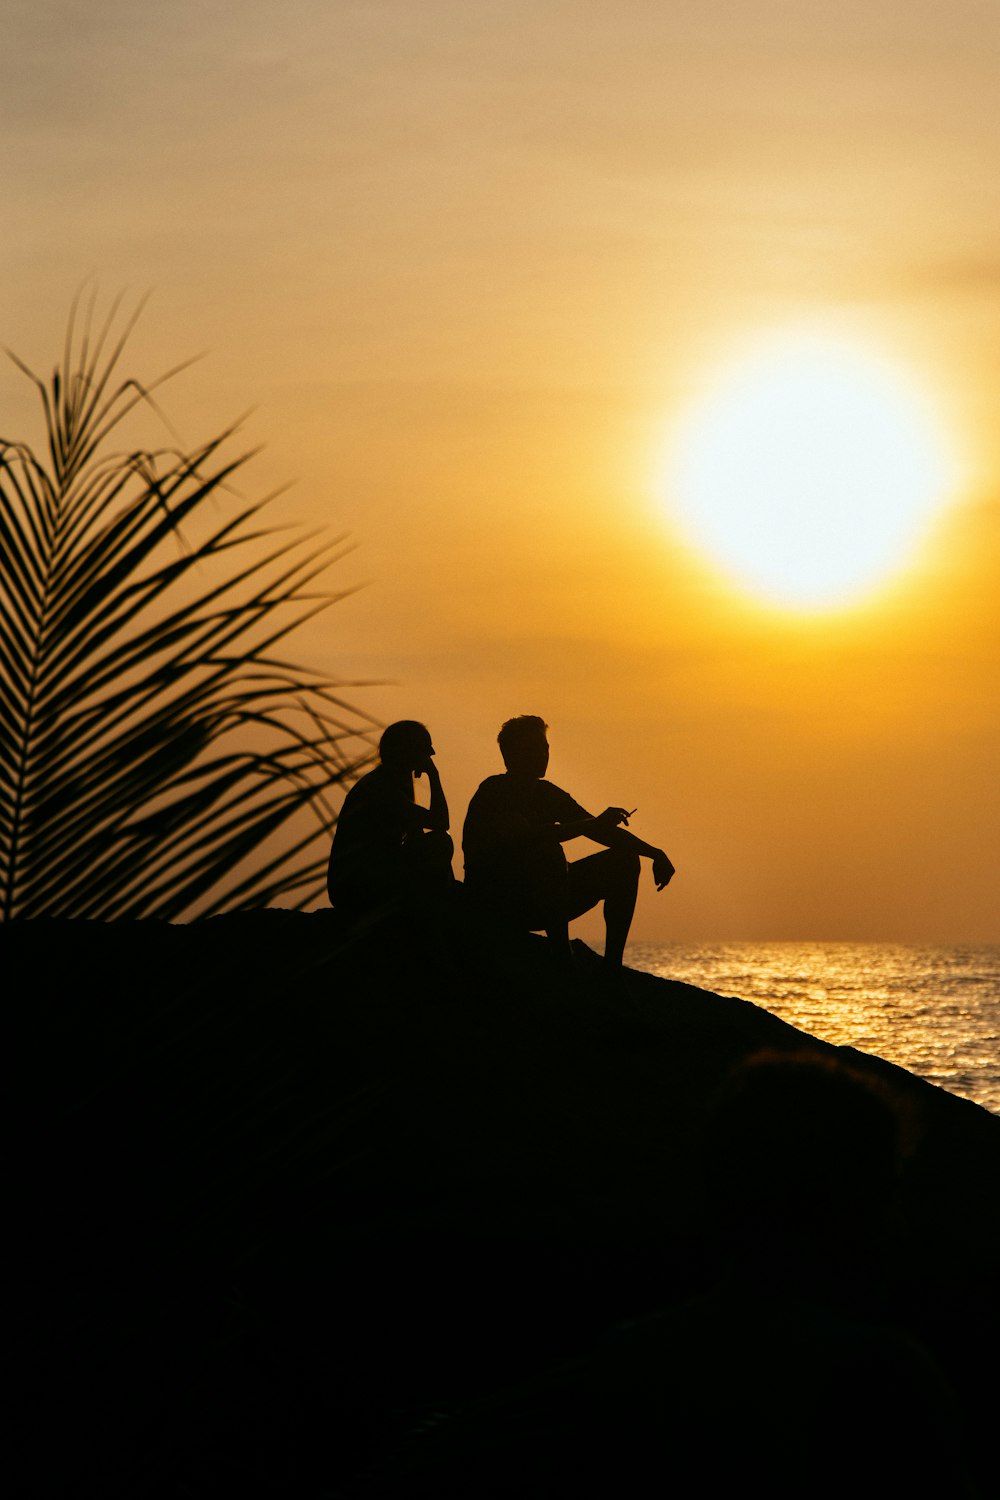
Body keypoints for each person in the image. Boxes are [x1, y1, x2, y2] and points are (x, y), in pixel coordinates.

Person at [461, 714, 674, 966]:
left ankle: (612, 968)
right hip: (500, 901)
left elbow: (599, 830)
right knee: (548, 852)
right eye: (531, 749)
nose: (541, 755)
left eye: (544, 748)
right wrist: (593, 824)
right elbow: (528, 837)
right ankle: (563, 962)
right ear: (509, 756)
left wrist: (654, 853)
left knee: (624, 860)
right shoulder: (494, 791)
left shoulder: (548, 793)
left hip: (546, 899)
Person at [327, 720, 453, 917]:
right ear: (407, 751)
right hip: (355, 889)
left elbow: (415, 833)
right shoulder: (380, 788)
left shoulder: (396, 782)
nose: (432, 754)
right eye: (425, 748)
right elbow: (440, 822)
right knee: (441, 842)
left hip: (375, 876)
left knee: (432, 846)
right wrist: (434, 776)